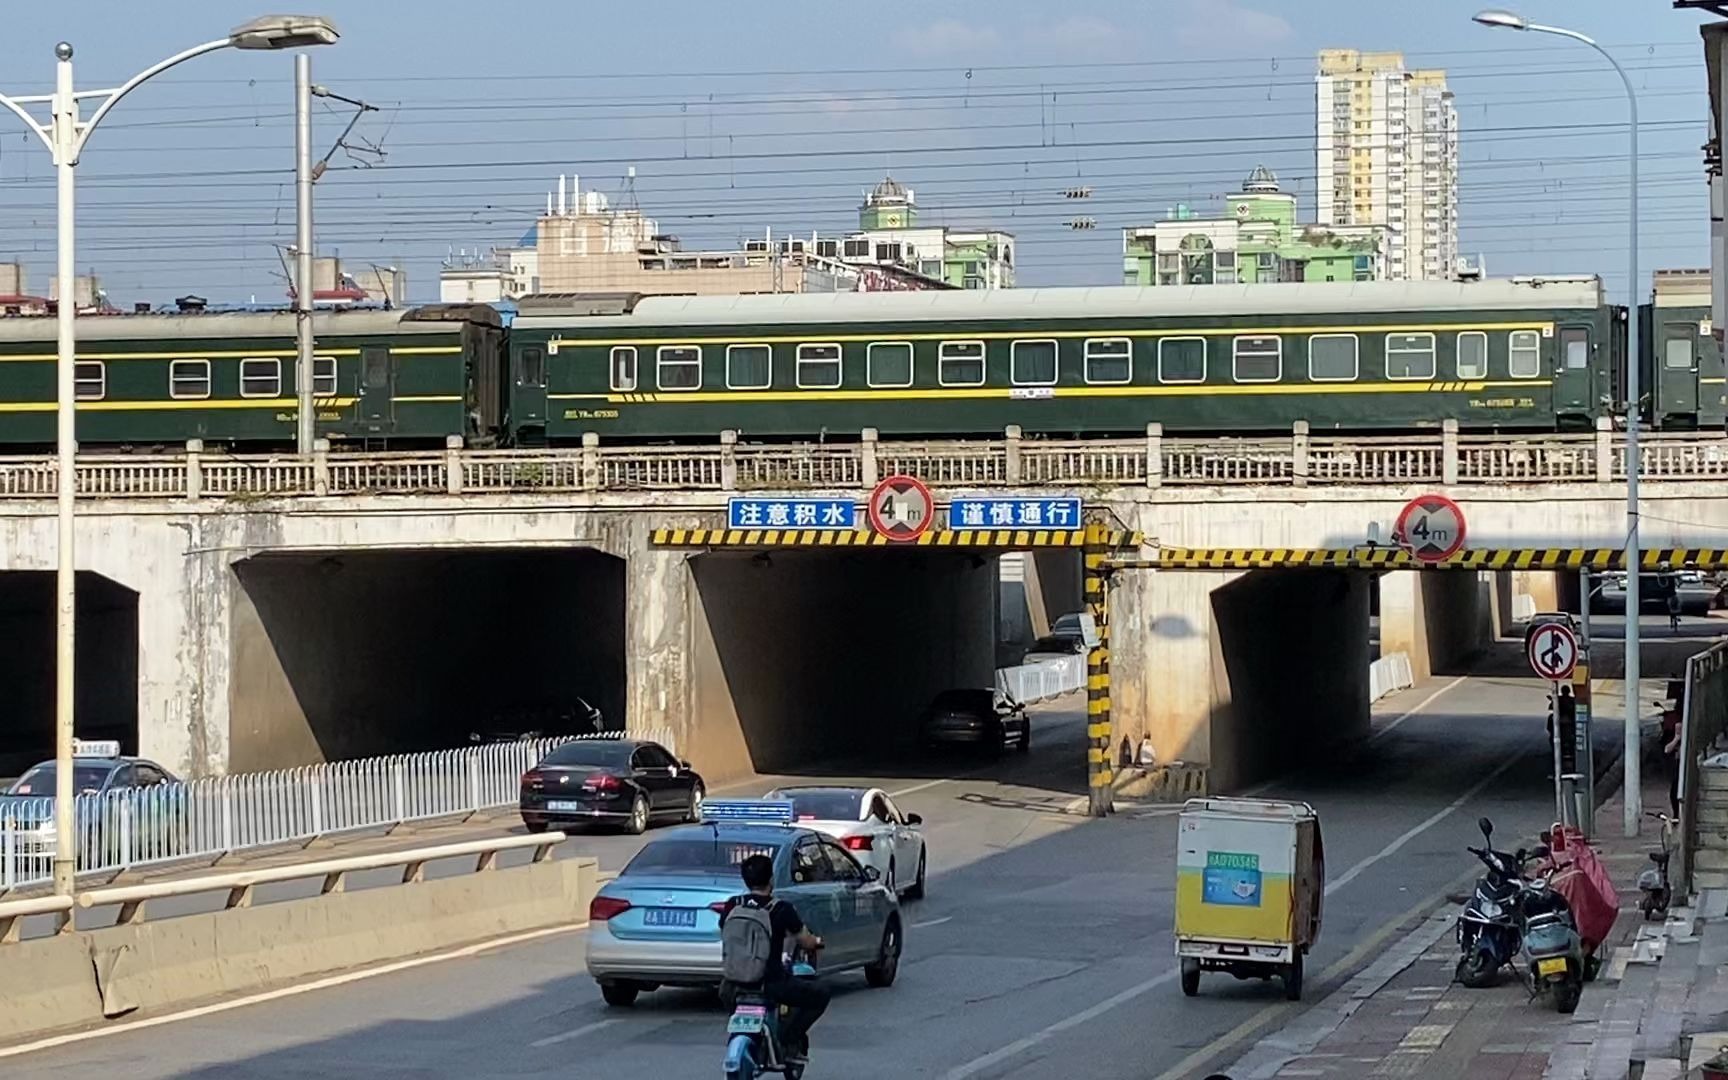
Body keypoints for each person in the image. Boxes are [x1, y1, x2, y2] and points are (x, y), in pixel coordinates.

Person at [720, 854, 829, 1063]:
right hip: (771, 983)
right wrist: (815, 942)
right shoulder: (781, 908)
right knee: (820, 994)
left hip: (731, 985)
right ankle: (788, 1038)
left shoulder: (732, 905)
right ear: (771, 879)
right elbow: (805, 940)